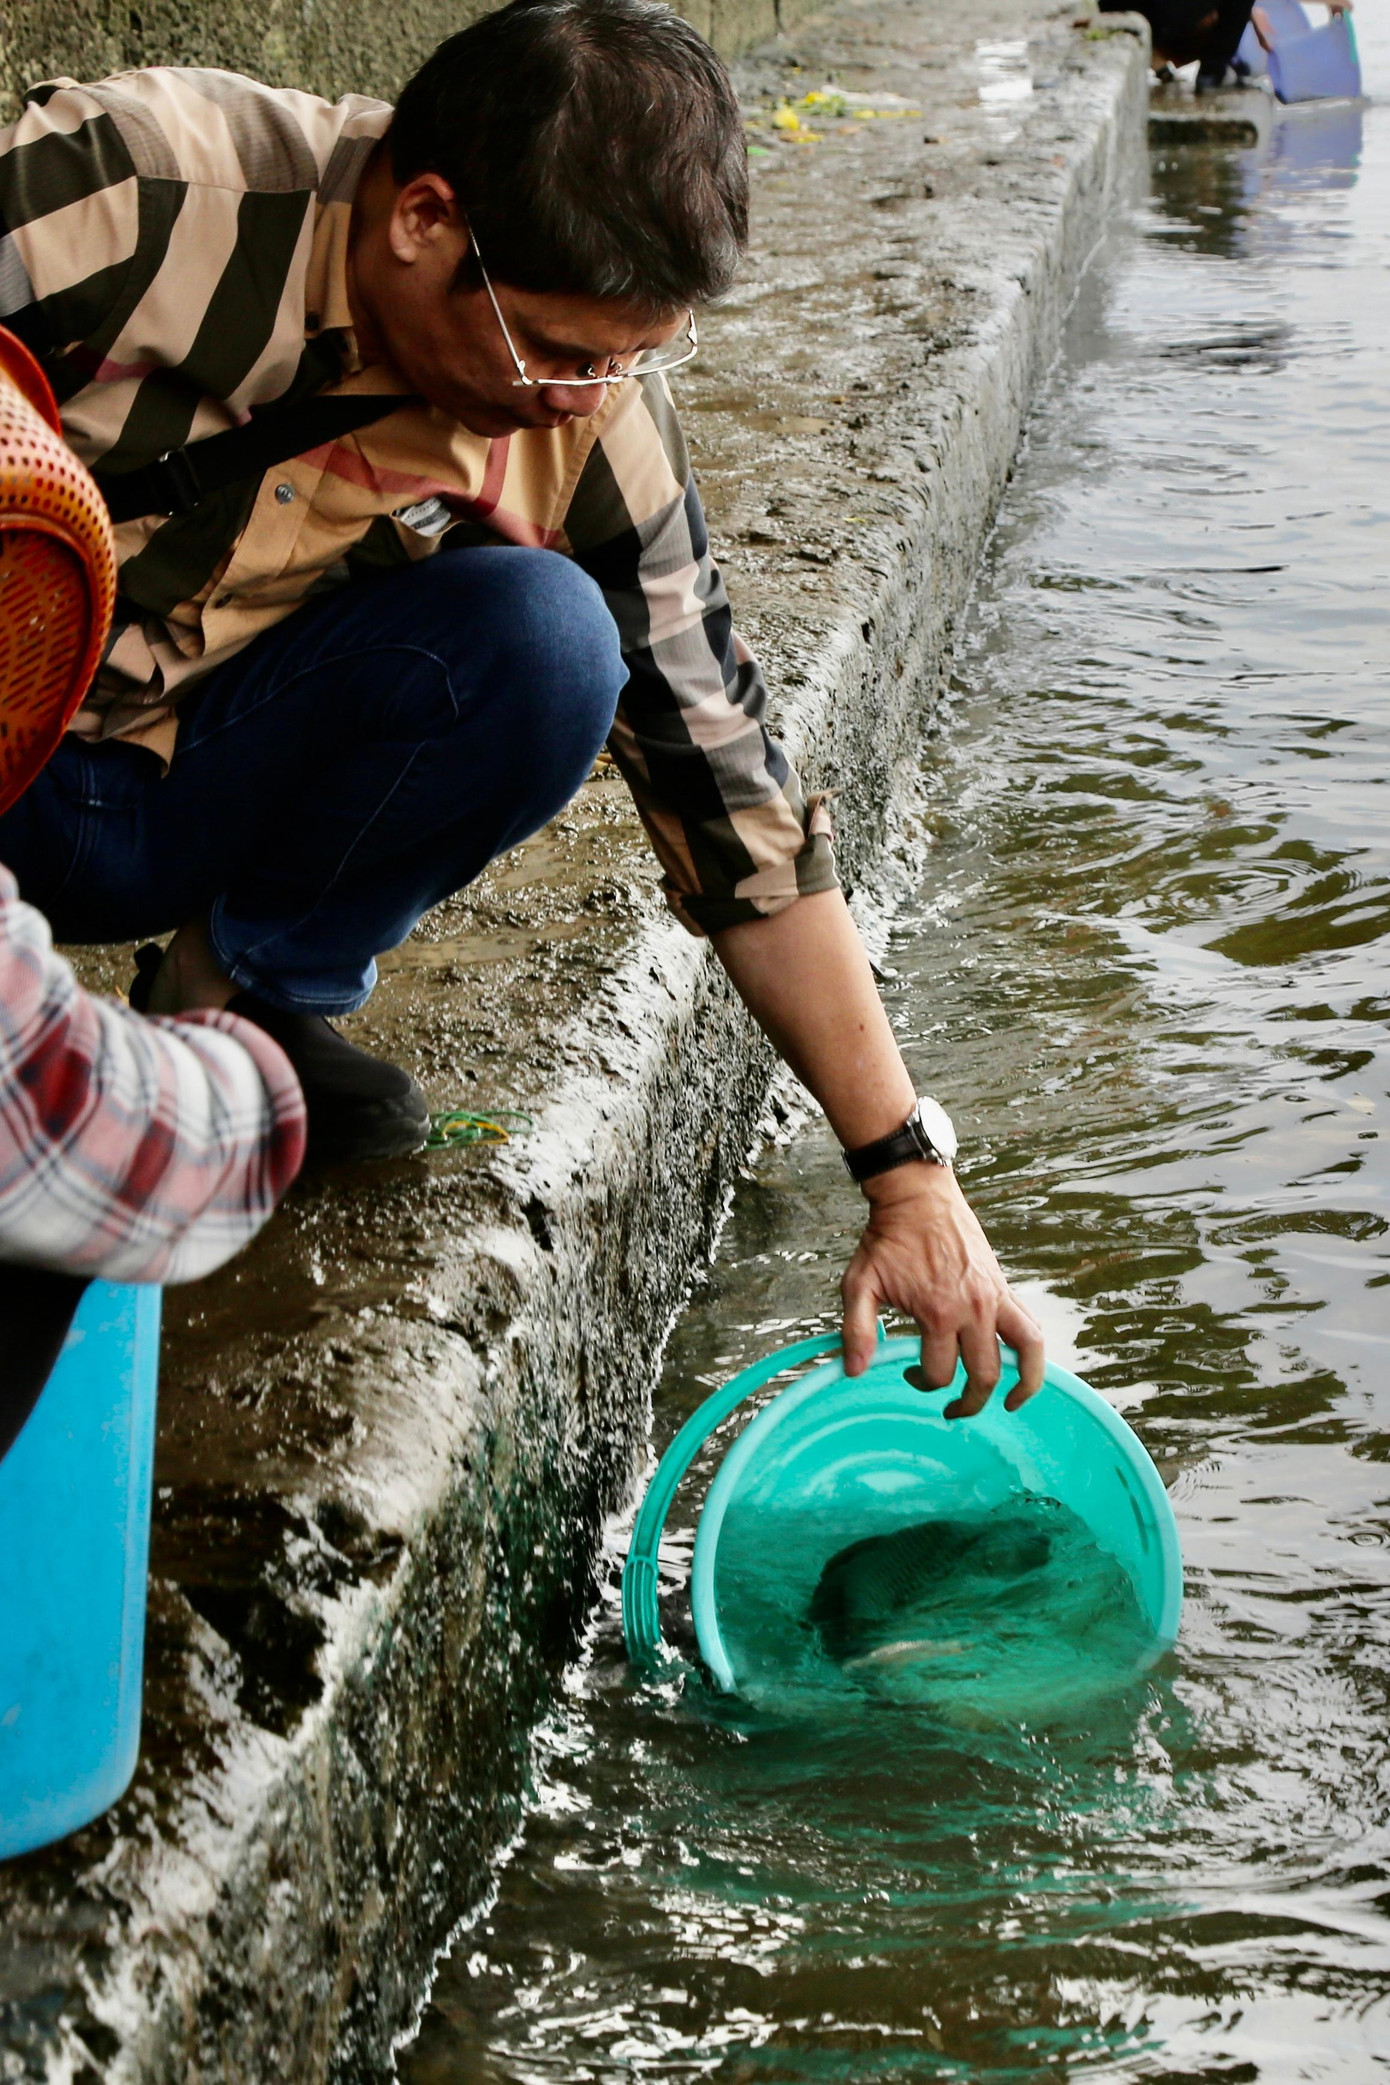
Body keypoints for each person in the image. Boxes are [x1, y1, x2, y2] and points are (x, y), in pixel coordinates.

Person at [0, 0, 1043, 1412]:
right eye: (556, 350)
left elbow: (728, 786)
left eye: (632, 358)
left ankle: (241, 1001)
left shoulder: (589, 414)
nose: (584, 399)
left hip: (166, 782)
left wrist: (906, 1175)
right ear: (424, 220)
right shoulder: (131, 194)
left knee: (549, 643)